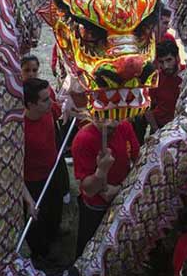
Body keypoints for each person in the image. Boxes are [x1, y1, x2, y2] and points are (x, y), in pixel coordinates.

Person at [72, 118, 140, 256]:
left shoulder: (124, 125)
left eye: (116, 119)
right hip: (96, 207)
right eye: (108, 128)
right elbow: (89, 190)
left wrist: (120, 188)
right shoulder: (83, 140)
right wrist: (101, 171)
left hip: (122, 197)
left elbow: (137, 159)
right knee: (89, 249)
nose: (113, 128)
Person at [22, 78, 65, 265]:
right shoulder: (19, 129)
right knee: (37, 224)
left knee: (55, 212)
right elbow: (15, 170)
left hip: (54, 171)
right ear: (31, 104)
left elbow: (62, 110)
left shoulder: (48, 109)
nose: (51, 103)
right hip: (34, 182)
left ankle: (54, 238)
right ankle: (41, 256)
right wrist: (29, 201)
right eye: (45, 100)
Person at [137, 39, 182, 142]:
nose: (165, 66)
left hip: (182, 128)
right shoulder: (155, 79)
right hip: (161, 128)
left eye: (169, 60)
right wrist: (156, 131)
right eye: (161, 62)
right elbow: (146, 108)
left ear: (177, 58)